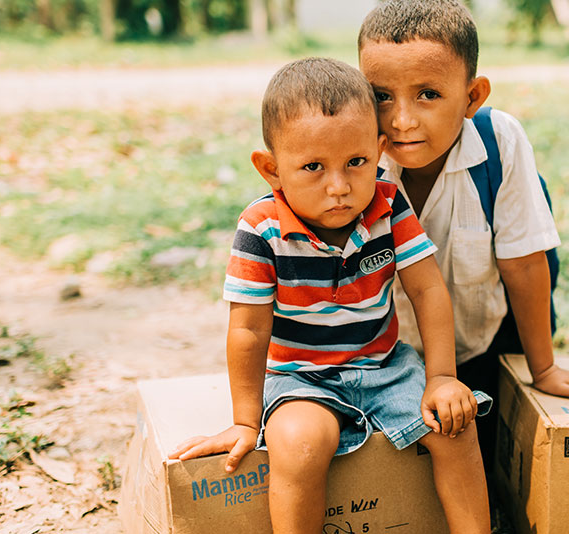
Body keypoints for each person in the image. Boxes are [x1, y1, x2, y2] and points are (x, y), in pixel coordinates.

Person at [169, 57, 491, 534]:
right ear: (272, 170)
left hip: (384, 366)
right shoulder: (262, 229)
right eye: (313, 167)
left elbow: (427, 290)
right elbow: (249, 329)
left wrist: (441, 377)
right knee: (300, 445)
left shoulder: (386, 204)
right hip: (301, 377)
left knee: (454, 426)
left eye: (356, 163)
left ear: (380, 152)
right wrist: (244, 421)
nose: (339, 187)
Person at [357, 0, 569, 469]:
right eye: (382, 95)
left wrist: (542, 368)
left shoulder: (498, 140)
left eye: (427, 95)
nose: (402, 119)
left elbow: (524, 261)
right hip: (384, 356)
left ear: (472, 96)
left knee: (487, 457)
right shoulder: (352, 154)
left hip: (484, 343)